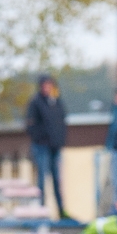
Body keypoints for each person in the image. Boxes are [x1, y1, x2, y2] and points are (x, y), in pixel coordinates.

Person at [25, 75, 70, 220]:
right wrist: (42, 139)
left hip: (55, 147)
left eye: (50, 85)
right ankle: (41, 212)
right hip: (42, 147)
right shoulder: (35, 103)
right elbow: (30, 125)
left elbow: (62, 123)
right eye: (45, 85)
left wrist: (59, 140)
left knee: (57, 180)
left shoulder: (57, 103)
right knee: (42, 180)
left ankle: (61, 212)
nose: (48, 88)